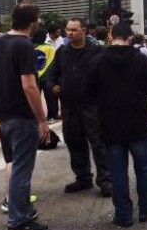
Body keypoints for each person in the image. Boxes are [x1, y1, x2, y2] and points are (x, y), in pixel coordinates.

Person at [90, 22, 147, 226]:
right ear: (131, 37)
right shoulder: (140, 60)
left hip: (110, 124)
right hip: (137, 122)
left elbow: (88, 90)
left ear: (111, 36)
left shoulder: (98, 61)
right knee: (144, 168)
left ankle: (123, 214)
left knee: (118, 172)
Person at [0, 2, 50, 230]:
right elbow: (29, 86)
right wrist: (42, 120)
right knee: (21, 170)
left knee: (17, 165)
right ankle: (17, 221)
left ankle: (24, 210)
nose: (40, 23)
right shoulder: (24, 45)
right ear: (31, 22)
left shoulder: (1, 42)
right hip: (21, 115)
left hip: (4, 114)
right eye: (38, 18)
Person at [47, 18, 112, 197]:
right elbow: (51, 73)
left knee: (98, 143)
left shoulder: (97, 51)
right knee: (74, 142)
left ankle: (106, 180)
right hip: (69, 106)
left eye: (74, 30)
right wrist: (53, 85)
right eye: (68, 30)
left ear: (83, 31)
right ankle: (83, 178)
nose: (69, 33)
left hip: (92, 106)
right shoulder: (62, 51)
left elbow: (107, 76)